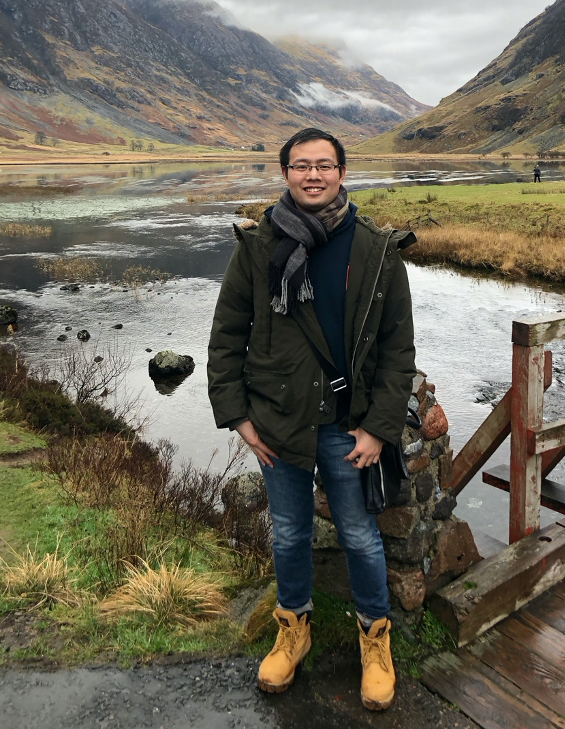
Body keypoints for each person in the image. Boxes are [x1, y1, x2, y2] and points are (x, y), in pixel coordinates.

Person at [207, 127, 416, 711]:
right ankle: (292, 632)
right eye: (302, 166)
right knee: (291, 532)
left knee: (358, 534)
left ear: (343, 174)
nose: (313, 175)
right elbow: (226, 338)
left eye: (325, 165)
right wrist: (238, 417)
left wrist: (379, 427)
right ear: (285, 175)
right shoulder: (256, 248)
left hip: (349, 425)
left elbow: (399, 350)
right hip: (278, 423)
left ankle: (376, 640)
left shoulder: (377, 249)